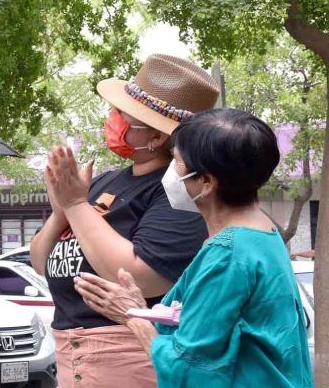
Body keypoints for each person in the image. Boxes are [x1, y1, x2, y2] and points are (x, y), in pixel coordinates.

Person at [72, 108, 313, 387]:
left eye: (177, 163)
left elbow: (188, 372)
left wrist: (131, 318)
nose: (172, 173)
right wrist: (141, 308)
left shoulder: (228, 255)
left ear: (207, 183)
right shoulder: (263, 235)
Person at [29, 54, 219, 387]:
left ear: (157, 138)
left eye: (121, 115)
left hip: (128, 361)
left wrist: (75, 204)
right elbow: (40, 261)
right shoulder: (102, 183)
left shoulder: (176, 194)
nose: (111, 120)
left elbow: (141, 278)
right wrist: (62, 209)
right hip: (70, 355)